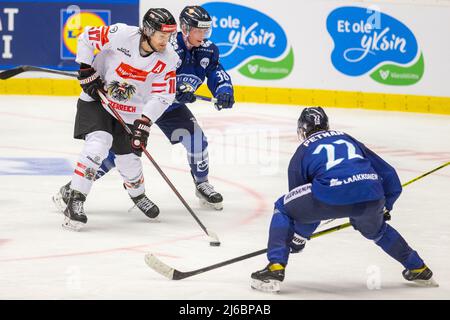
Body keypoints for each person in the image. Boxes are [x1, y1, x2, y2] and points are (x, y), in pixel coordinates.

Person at [54, 5, 234, 213]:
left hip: (166, 106)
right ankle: (74, 189)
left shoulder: (204, 50)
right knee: (116, 152)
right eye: (198, 30)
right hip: (137, 104)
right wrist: (89, 69)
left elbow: (211, 72)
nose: (202, 36)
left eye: (205, 31)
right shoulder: (162, 43)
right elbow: (137, 74)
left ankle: (201, 183)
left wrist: (223, 89)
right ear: (184, 28)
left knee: (195, 140)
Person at [250, 107, 437, 293]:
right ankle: (417, 267)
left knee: (282, 208)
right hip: (371, 196)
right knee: (378, 231)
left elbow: (301, 208)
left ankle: (276, 265)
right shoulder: (348, 138)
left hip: (329, 195)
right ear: (327, 125)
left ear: (302, 130)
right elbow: (389, 175)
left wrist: (298, 238)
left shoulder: (302, 152)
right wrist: (385, 206)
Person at [54, 8, 180, 231]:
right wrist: (85, 68)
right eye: (162, 35)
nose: (166, 41)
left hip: (130, 113)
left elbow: (163, 95)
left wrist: (145, 122)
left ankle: (138, 195)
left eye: (169, 36)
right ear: (148, 31)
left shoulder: (169, 59)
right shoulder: (121, 34)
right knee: (97, 145)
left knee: (129, 160)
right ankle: (75, 200)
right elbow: (86, 37)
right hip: (98, 101)